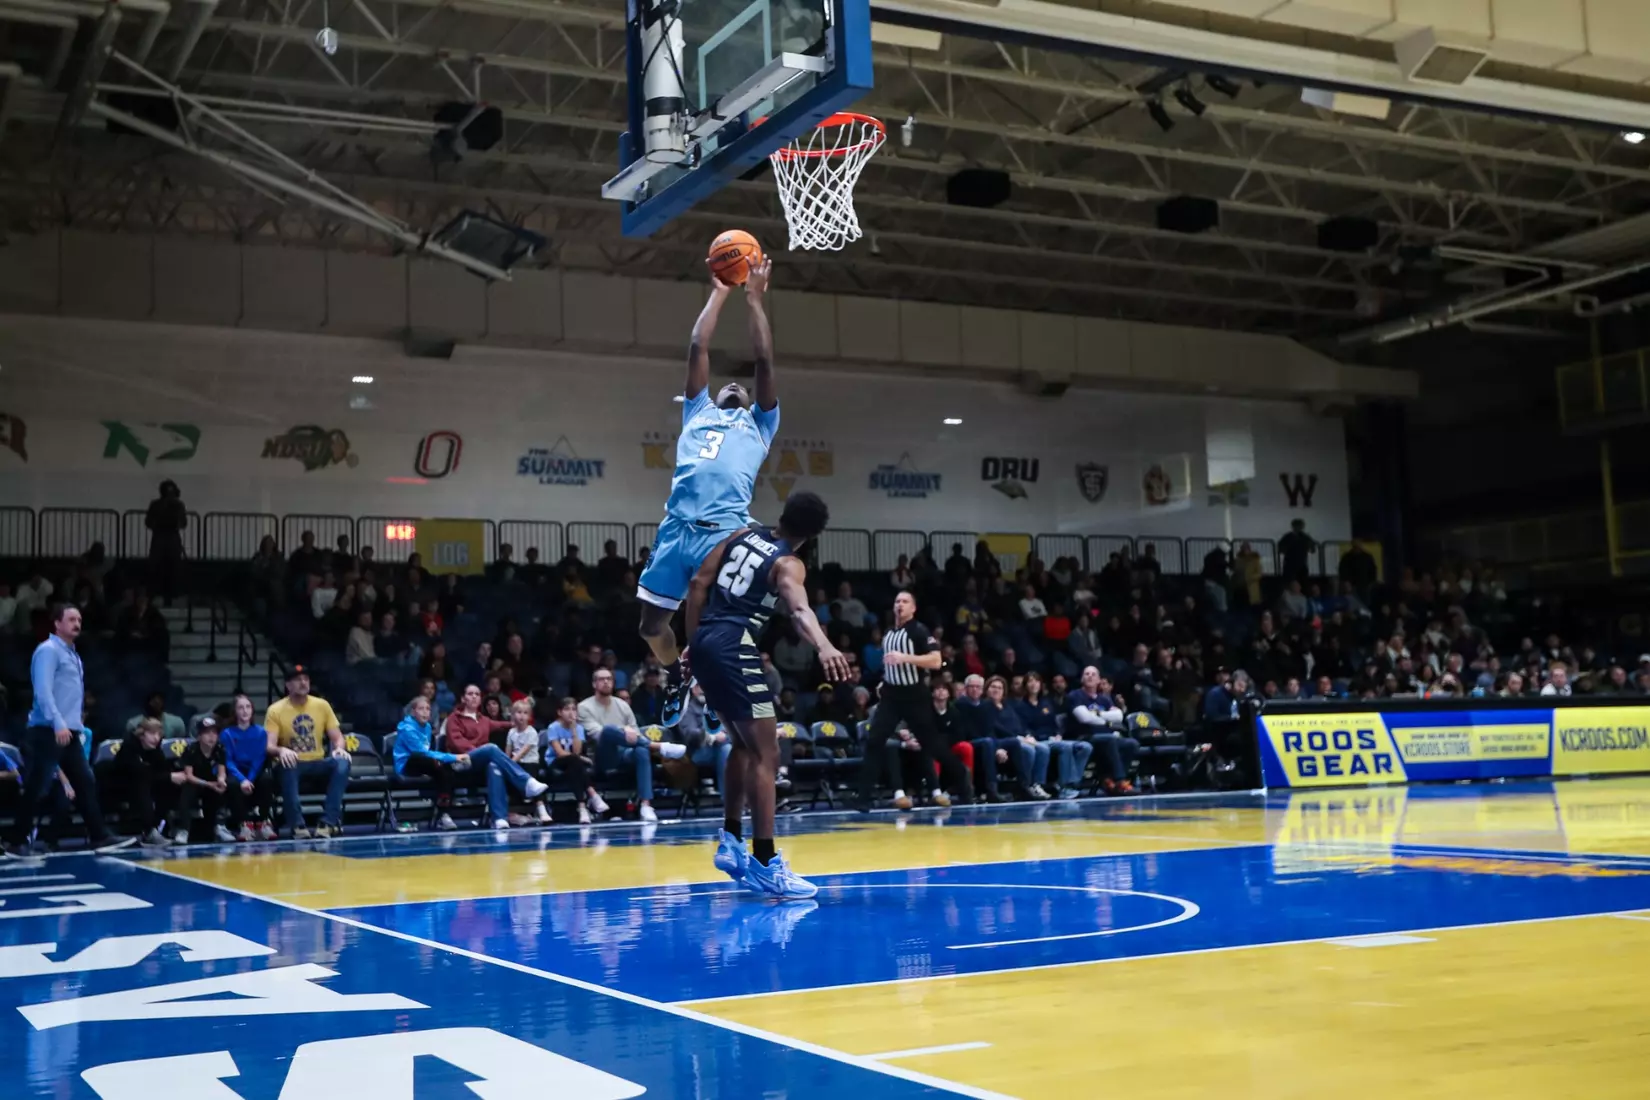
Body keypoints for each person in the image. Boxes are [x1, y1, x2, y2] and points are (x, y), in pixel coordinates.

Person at [639, 258, 780, 728]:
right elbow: (698, 345)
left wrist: (754, 300)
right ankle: (676, 675)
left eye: (741, 386)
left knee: (713, 633)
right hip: (677, 529)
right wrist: (719, 292)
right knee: (651, 628)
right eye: (729, 384)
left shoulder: (760, 425)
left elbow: (763, 360)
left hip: (723, 535)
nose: (734, 385)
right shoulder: (697, 412)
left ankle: (717, 688)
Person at [684, 491, 844, 900]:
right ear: (812, 536)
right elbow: (798, 610)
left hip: (706, 639)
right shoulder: (789, 562)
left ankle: (732, 840)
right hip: (734, 644)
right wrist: (824, 645)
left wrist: (694, 643)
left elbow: (698, 583)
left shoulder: (740, 534)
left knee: (741, 744)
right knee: (767, 753)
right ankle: (766, 862)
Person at [4, 604, 131, 857]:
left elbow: (70, 695)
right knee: (37, 787)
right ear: (57, 624)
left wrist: (74, 724)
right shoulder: (48, 651)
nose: (77, 624)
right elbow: (43, 691)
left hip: (69, 731)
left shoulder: (72, 654)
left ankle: (99, 836)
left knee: (85, 781)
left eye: (80, 619)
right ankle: (15, 841)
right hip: (47, 729)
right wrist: (59, 722)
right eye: (71, 619)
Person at [855, 591, 974, 811]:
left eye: (905, 601)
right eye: (897, 601)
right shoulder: (889, 633)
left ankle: (962, 780)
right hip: (891, 695)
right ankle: (863, 798)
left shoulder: (919, 631)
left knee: (932, 745)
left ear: (913, 608)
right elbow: (891, 664)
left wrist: (905, 658)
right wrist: (886, 680)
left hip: (914, 695)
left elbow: (936, 661)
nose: (900, 604)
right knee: (874, 741)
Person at [264, 665, 352, 838]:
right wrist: (281, 750)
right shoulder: (275, 710)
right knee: (287, 764)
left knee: (343, 762)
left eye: (306, 679)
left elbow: (338, 738)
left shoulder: (322, 705)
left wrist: (339, 749)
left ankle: (327, 823)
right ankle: (298, 826)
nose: (303, 683)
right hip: (293, 763)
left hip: (318, 762)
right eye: (298, 680)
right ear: (288, 685)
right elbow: (269, 746)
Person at [1067, 666, 1136, 795]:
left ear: (1099, 680)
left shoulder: (1103, 698)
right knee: (1110, 739)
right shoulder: (1075, 696)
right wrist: (1106, 718)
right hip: (1084, 736)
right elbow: (1084, 718)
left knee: (1131, 743)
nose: (1090, 676)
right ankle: (1120, 781)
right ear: (1082, 679)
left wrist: (1097, 714)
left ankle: (1108, 779)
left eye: (1094, 674)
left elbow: (1119, 716)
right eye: (1086, 674)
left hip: (1105, 737)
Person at [541, 696, 608, 824]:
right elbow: (559, 753)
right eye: (567, 709)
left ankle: (582, 808)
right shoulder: (553, 727)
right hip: (555, 763)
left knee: (575, 766)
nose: (571, 712)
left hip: (572, 764)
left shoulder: (579, 728)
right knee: (575, 761)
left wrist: (573, 730)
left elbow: (576, 752)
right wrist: (580, 757)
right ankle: (592, 793)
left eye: (574, 709)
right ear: (560, 712)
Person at [170, 716, 233, 844]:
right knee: (186, 794)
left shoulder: (220, 749)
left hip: (212, 783)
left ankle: (219, 827)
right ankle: (184, 830)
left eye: (214, 733)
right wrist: (208, 784)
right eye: (207, 733)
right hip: (195, 782)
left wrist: (221, 781)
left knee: (222, 791)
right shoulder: (191, 750)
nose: (211, 737)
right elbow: (189, 776)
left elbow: (222, 772)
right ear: (199, 736)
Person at [223, 693, 277, 841]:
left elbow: (259, 758)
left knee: (266, 779)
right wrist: (242, 780)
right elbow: (228, 761)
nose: (245, 711)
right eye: (240, 707)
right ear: (235, 711)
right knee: (232, 784)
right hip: (236, 772)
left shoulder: (260, 732)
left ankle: (263, 823)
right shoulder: (227, 733)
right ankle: (245, 825)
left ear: (252, 710)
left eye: (248, 707)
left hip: (254, 771)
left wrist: (250, 779)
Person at [146, 478, 188, 604]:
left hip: (171, 539)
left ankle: (169, 595)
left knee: (172, 567)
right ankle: (154, 593)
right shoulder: (156, 504)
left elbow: (183, 522)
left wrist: (175, 523)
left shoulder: (178, 505)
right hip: (160, 537)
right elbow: (149, 521)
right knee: (156, 566)